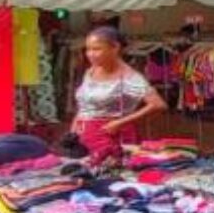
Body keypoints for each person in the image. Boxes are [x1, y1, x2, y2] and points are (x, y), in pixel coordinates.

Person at [71, 26, 166, 166]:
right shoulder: (91, 71)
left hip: (111, 137)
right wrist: (74, 128)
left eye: (96, 49)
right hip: (83, 135)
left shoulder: (129, 77)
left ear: (115, 47)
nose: (90, 54)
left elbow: (158, 104)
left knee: (110, 177)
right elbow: (84, 103)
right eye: (88, 49)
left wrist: (120, 122)